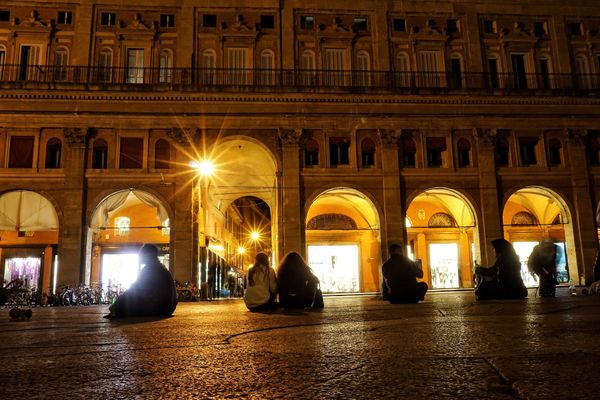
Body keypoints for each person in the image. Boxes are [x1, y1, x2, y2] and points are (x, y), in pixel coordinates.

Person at [105, 244, 177, 319]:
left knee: (123, 307)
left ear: (147, 255)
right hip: (169, 308)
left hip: (159, 308)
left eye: (141, 254)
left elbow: (134, 289)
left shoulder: (150, 269)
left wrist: (117, 304)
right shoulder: (160, 267)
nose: (140, 256)